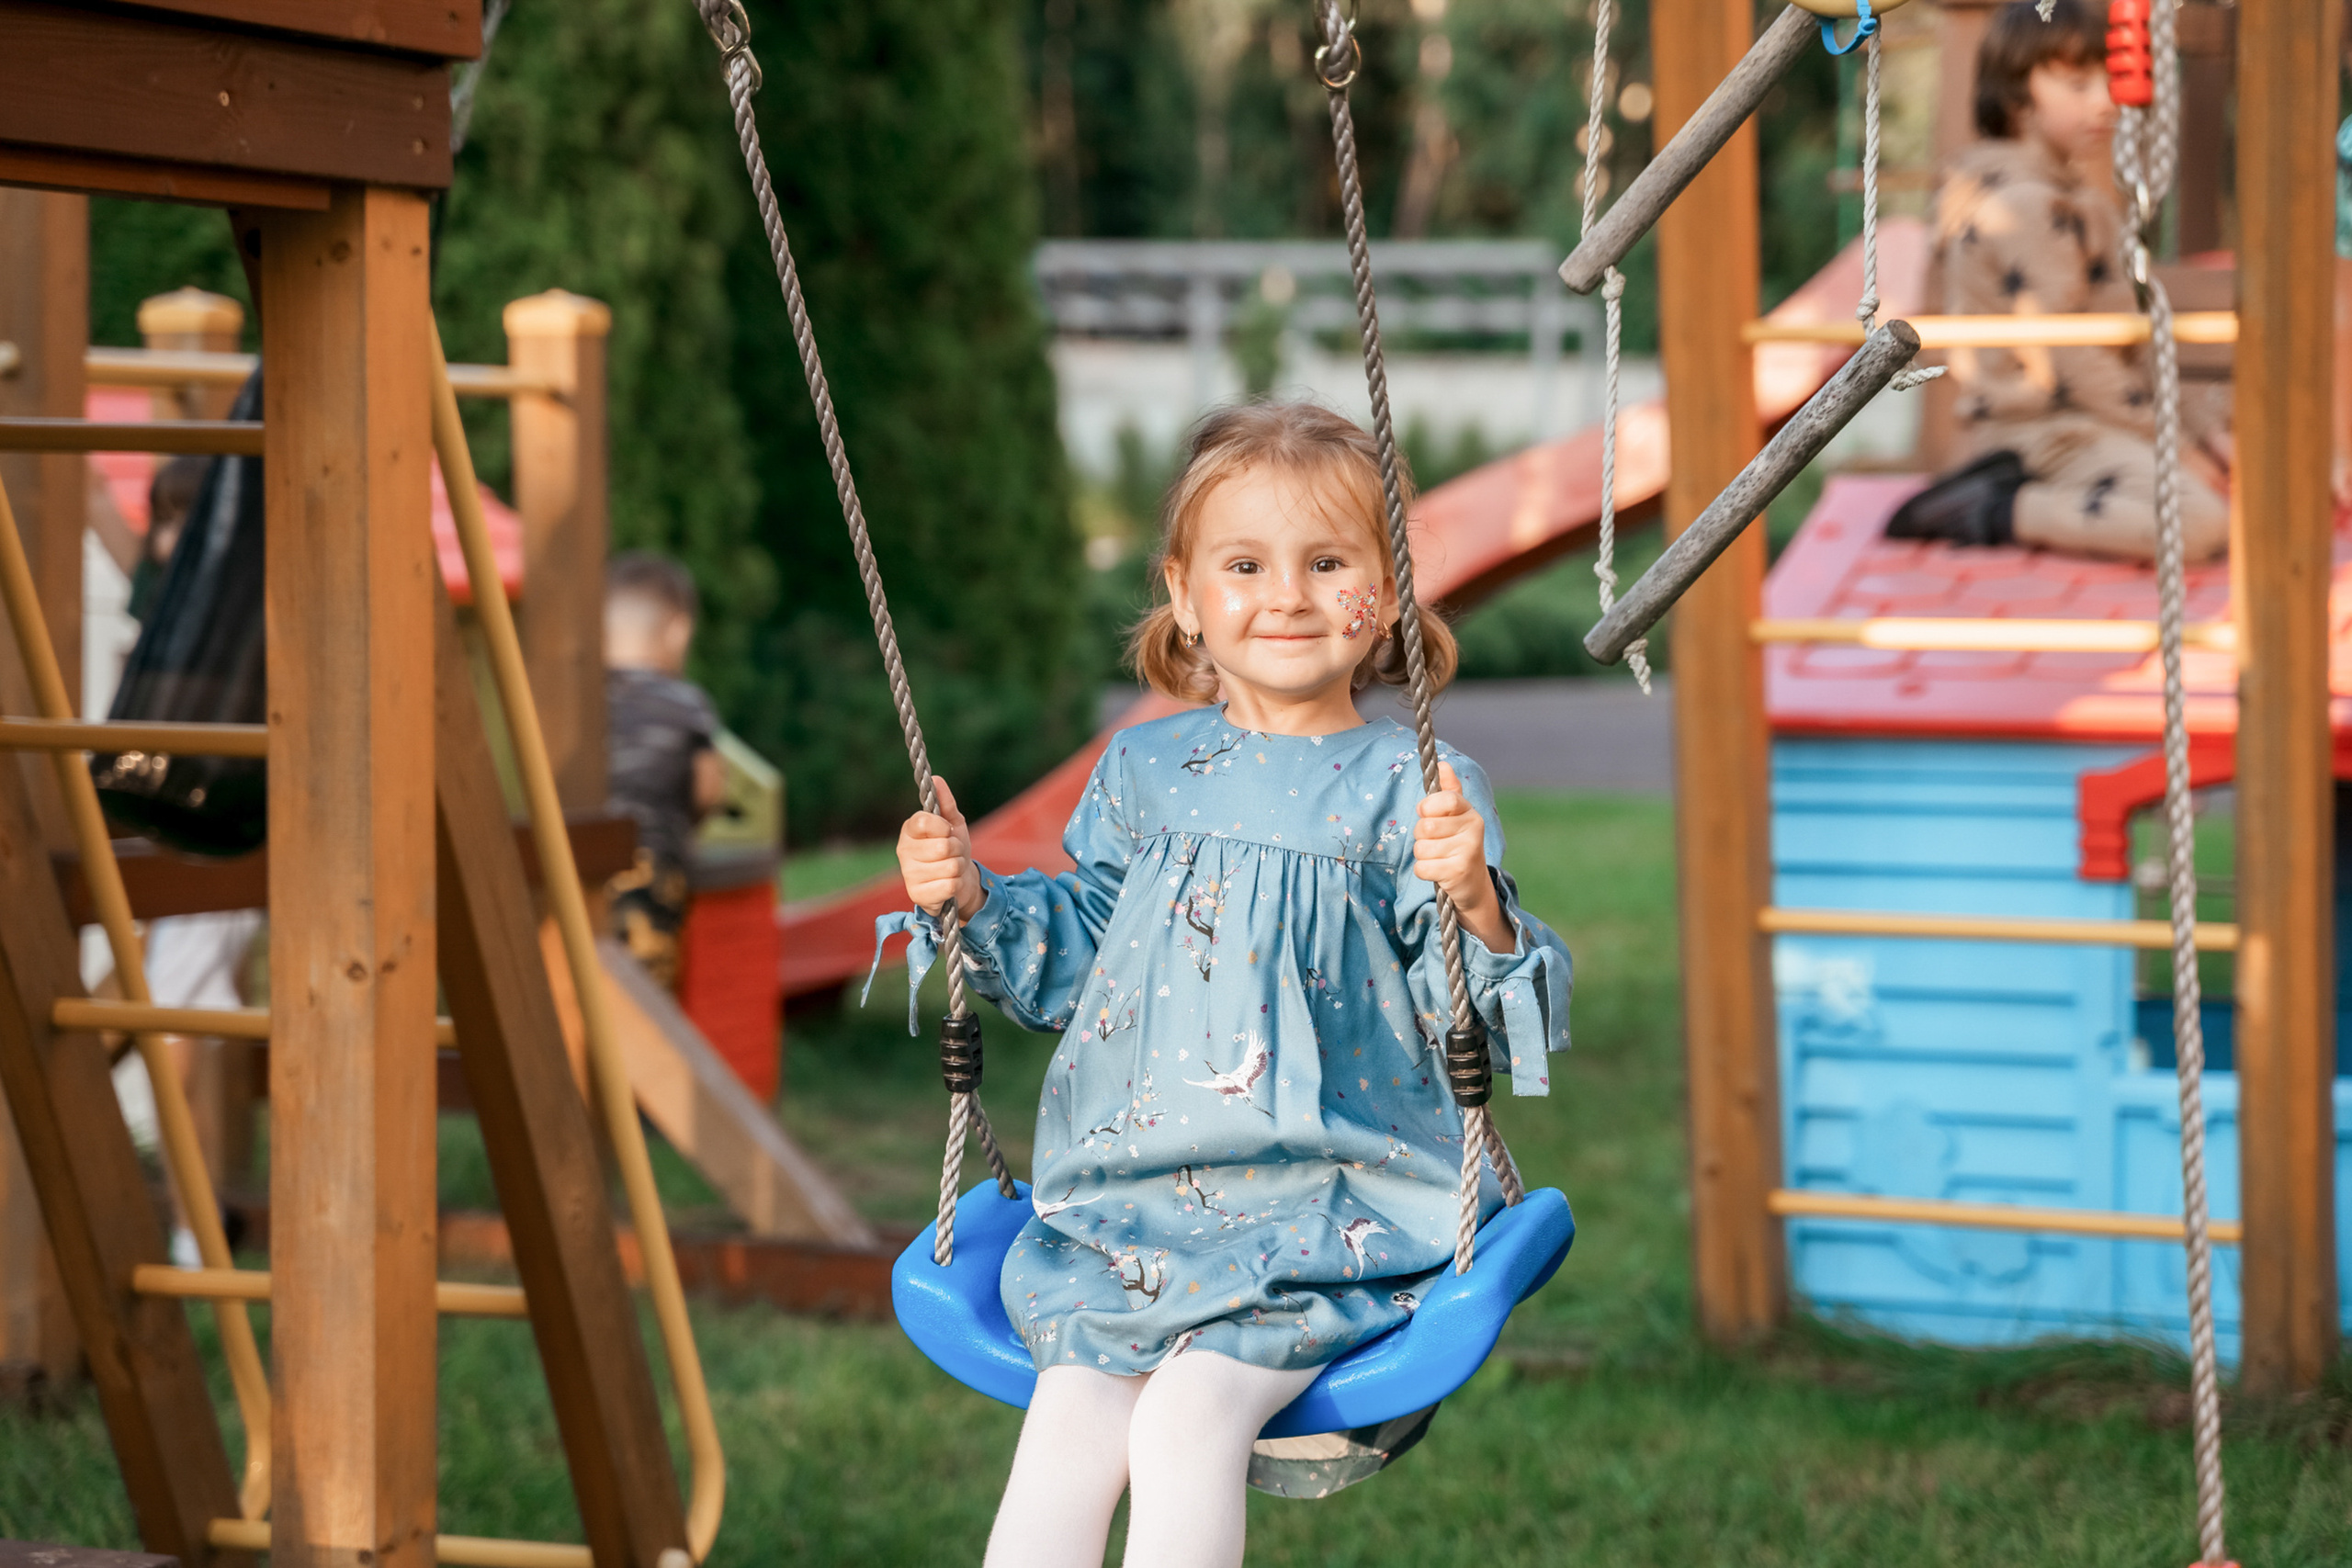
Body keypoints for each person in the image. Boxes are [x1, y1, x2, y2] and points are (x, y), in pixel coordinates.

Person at [883, 402, 1572, 1568]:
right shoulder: (1144, 770)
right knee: (1066, 1424)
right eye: (1245, 565)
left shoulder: (1418, 787)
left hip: (1328, 1206)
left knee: (1187, 1422)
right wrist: (970, 898)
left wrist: (1475, 903)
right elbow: (1081, 949)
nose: (1289, 596)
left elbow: (1488, 1013)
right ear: (1186, 594)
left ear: (1389, 593)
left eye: (1328, 563)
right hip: (1131, 1209)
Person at [1890, 0, 2230, 561]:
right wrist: (2173, 443)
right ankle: (1998, 507)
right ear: (2020, 99)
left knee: (2232, 489)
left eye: (2106, 81)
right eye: (2077, 84)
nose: (2104, 101)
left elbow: (2130, 340)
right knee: (2199, 522)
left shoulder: (2069, 198)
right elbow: (2069, 355)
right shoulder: (2023, 207)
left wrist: (2201, 431)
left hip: (2088, 422)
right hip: (2040, 434)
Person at [605, 551, 727, 989]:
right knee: (645, 989)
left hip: (577, 861)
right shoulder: (683, 700)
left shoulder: (580, 697)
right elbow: (709, 787)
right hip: (651, 864)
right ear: (679, 630)